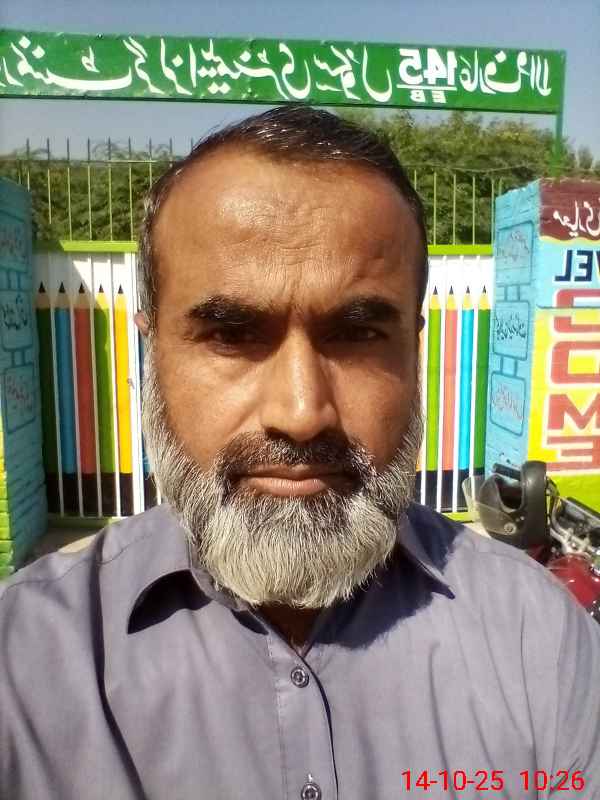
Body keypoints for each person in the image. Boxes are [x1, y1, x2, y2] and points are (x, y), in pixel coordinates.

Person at [1, 105, 599, 800]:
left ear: (413, 353)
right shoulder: (25, 663)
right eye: (230, 335)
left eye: (357, 334)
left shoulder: (535, 639)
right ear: (152, 354)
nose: (301, 412)